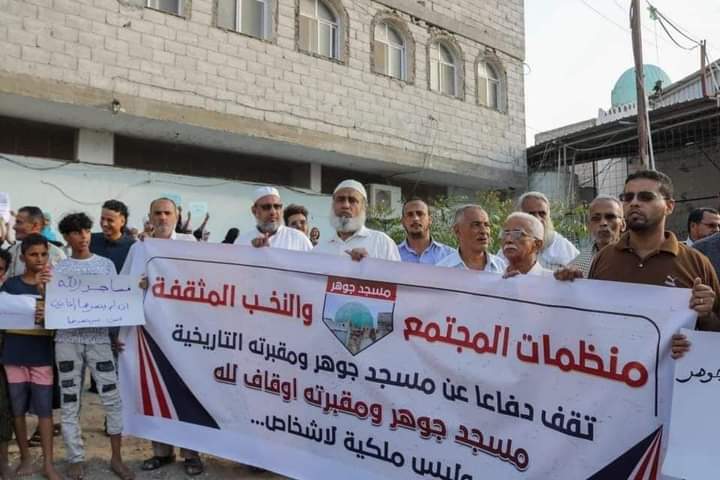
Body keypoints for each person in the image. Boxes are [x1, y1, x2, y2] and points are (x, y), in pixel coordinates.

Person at [557, 170, 720, 358]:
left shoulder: (696, 263)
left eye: (646, 197)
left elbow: (715, 333)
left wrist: (705, 317)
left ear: (669, 206)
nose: (634, 203)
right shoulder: (604, 259)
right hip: (612, 368)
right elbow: (588, 324)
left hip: (672, 373)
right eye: (628, 197)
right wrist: (566, 290)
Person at [39, 213, 133, 480]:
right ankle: (75, 457)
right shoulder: (58, 269)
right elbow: (50, 307)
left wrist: (117, 330)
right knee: (70, 400)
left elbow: (116, 301)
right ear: (66, 237)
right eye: (76, 232)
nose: (83, 237)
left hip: (99, 339)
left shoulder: (106, 266)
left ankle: (117, 458)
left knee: (112, 398)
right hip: (67, 341)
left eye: (86, 231)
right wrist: (44, 288)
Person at [121, 198, 203, 476]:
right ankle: (162, 452)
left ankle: (191, 453)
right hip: (148, 333)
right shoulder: (138, 248)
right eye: (157, 213)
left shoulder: (190, 245)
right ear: (150, 216)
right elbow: (123, 287)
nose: (163, 218)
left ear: (177, 216)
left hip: (185, 334)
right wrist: (136, 285)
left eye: (168, 213)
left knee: (187, 391)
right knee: (153, 391)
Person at [0, 234, 61, 480]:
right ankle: (25, 457)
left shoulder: (56, 285)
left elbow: (63, 320)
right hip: (14, 356)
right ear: (23, 257)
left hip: (42, 357)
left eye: (44, 254)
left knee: (45, 411)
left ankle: (48, 463)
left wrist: (46, 298)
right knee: (17, 410)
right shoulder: (10, 286)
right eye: (33, 254)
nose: (39, 259)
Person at [313, 180, 400, 261]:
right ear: (333, 205)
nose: (346, 205)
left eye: (352, 200)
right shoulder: (319, 250)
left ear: (364, 206)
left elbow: (395, 272)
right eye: (340, 199)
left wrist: (369, 263)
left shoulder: (381, 243)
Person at [502, 192, 578, 270]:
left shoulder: (563, 246)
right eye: (531, 214)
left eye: (542, 214)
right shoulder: (509, 246)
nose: (538, 218)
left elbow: (580, 272)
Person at [235, 187, 312, 251]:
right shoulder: (242, 242)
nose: (273, 212)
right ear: (254, 211)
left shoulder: (299, 239)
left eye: (277, 206)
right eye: (266, 207)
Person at [436, 205, 505, 272]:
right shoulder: (442, 270)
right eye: (476, 225)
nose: (484, 231)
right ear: (457, 230)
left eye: (486, 225)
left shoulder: (501, 268)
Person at [570, 195, 625, 277]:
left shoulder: (636, 259)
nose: (603, 223)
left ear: (623, 225)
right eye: (596, 218)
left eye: (610, 217)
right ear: (588, 226)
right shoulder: (576, 267)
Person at [6, 206, 66, 277]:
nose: (14, 227)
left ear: (35, 225)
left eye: (19, 222)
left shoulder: (57, 255)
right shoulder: (12, 251)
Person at [398, 198, 453, 265]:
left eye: (420, 214)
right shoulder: (393, 255)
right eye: (410, 214)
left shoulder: (449, 255)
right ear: (403, 222)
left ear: (430, 220)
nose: (415, 218)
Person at [500, 213, 554, 277]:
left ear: (537, 244)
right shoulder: (494, 279)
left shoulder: (551, 280)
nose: (508, 240)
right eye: (505, 234)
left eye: (517, 234)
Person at [90, 200, 135, 274]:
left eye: (110, 220)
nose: (104, 224)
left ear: (122, 221)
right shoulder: (90, 241)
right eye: (102, 218)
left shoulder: (133, 247)